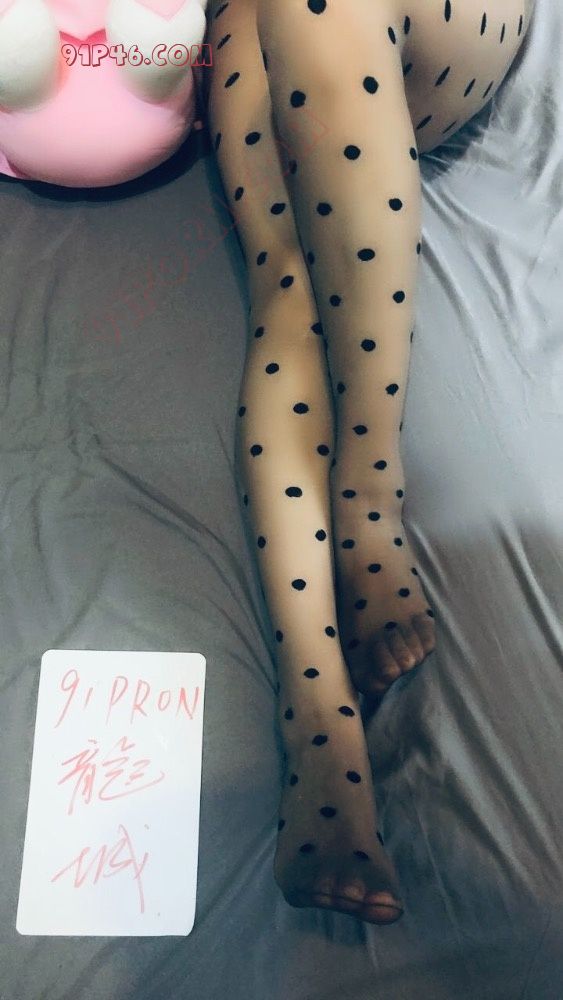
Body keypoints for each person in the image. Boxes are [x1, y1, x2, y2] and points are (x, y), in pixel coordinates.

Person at [203, 0, 535, 925]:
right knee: (294, 280)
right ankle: (318, 722)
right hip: (252, 23)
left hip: (434, 24)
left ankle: (367, 487)